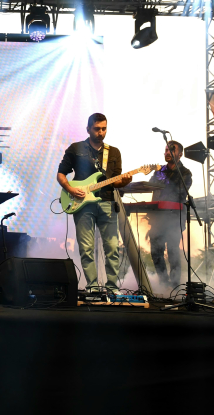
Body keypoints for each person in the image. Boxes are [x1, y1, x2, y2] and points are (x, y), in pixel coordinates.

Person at [56, 113, 132, 293]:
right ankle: (92, 287)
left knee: (112, 248)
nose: (101, 132)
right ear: (88, 129)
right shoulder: (76, 148)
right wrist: (70, 189)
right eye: (97, 129)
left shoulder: (114, 152)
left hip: (107, 202)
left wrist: (124, 181)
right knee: (86, 248)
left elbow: (115, 181)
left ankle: (112, 288)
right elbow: (61, 174)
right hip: (82, 203)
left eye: (104, 129)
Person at [146, 141, 193, 288]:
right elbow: (149, 186)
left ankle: (174, 285)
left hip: (174, 218)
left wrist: (162, 183)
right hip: (157, 218)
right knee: (156, 252)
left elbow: (178, 192)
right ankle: (163, 283)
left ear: (180, 154)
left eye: (171, 150)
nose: (167, 153)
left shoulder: (185, 173)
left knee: (173, 251)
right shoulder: (158, 171)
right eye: (166, 150)